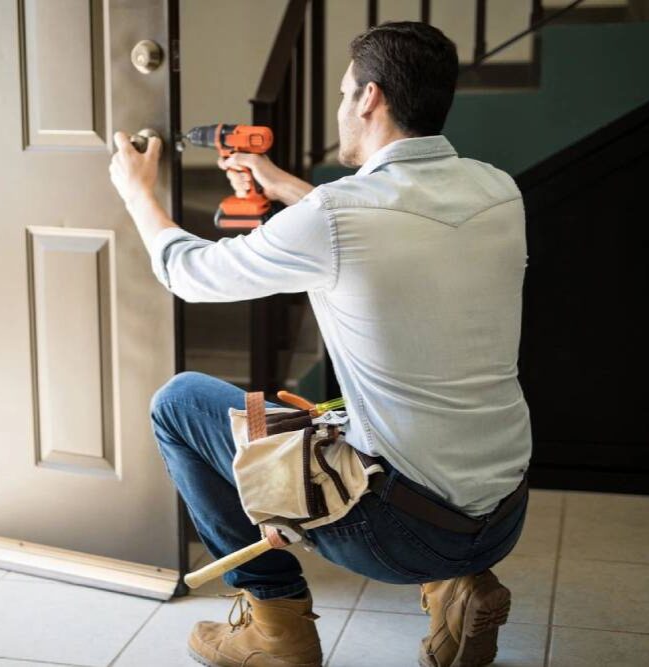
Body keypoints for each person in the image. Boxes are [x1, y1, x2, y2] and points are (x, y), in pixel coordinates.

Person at [108, 21, 531, 667]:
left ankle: (274, 626)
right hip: (500, 515)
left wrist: (139, 193)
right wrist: (285, 188)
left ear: (369, 98)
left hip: (395, 530)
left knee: (181, 400)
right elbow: (383, 235)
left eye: (342, 92)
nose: (340, 106)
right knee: (342, 411)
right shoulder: (496, 189)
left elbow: (187, 275)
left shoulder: (336, 214)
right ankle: (458, 582)